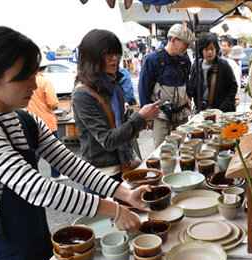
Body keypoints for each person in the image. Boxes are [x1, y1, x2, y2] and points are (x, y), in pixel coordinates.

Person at [0, 26, 152, 260]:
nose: (33, 85)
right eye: (23, 77)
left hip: (37, 242)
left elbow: (73, 165)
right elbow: (37, 188)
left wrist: (125, 193)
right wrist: (113, 209)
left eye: (34, 73)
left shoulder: (25, 120)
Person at [71, 29, 161, 193]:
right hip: (100, 177)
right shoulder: (82, 94)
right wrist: (140, 118)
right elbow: (108, 140)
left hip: (124, 167)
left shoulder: (113, 86)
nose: (115, 58)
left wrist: (141, 122)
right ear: (92, 56)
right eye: (108, 53)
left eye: (116, 53)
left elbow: (122, 128)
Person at [138, 23, 195, 148]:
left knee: (184, 150)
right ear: (174, 40)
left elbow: (187, 81)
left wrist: (189, 97)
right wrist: (146, 117)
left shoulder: (185, 59)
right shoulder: (152, 59)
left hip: (182, 114)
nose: (188, 47)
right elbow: (144, 88)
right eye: (186, 43)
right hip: (160, 116)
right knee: (163, 151)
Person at [26, 58, 67, 182]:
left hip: (29, 121)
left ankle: (30, 176)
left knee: (33, 152)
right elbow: (53, 102)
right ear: (43, 68)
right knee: (54, 151)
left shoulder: (25, 81)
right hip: (46, 121)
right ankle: (55, 175)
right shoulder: (44, 81)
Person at [190, 33, 238, 112]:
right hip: (202, 111)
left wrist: (222, 108)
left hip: (221, 111)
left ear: (216, 49)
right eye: (206, 49)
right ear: (201, 50)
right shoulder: (196, 66)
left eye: (212, 49)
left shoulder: (223, 65)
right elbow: (192, 88)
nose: (209, 52)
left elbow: (233, 88)